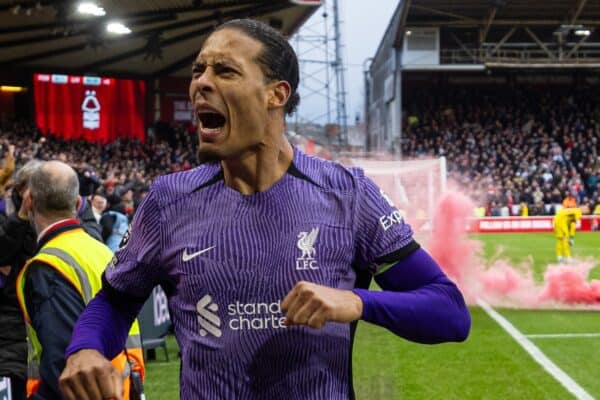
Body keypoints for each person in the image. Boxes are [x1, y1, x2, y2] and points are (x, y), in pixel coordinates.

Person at [60, 19, 470, 400]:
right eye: (198, 70)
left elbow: (449, 312)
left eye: (225, 71)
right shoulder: (168, 200)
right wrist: (85, 349)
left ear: (276, 94)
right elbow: (114, 302)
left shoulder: (349, 194)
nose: (201, 83)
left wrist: (359, 302)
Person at [14, 161, 144, 400]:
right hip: (122, 388)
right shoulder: (102, 251)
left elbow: (63, 369)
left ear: (29, 201)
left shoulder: (47, 265)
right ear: (76, 204)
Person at [0, 161, 39, 400]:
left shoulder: (52, 215)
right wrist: (23, 217)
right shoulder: (6, 211)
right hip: (10, 322)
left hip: (36, 316)